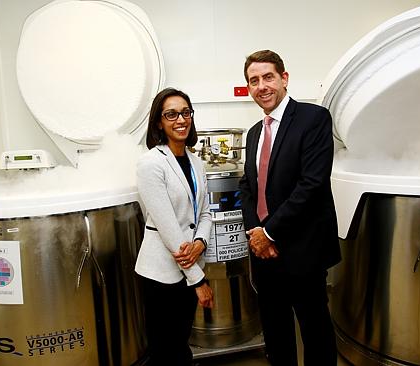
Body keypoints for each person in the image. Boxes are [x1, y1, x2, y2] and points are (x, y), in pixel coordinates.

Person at [239, 50, 341, 365]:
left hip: (302, 250)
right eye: (253, 81)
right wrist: (256, 233)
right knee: (276, 332)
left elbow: (311, 185)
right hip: (264, 255)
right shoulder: (255, 132)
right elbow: (247, 187)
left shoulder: (313, 119)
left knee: (315, 332)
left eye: (268, 77)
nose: (261, 86)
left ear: (284, 78)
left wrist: (269, 233)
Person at [134, 88, 214, 366]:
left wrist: (201, 243)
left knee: (180, 343)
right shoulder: (151, 164)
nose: (180, 119)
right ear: (159, 122)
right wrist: (199, 280)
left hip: (189, 265)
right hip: (161, 274)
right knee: (165, 350)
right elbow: (169, 229)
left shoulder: (196, 163)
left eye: (185, 112)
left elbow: (204, 214)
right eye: (171, 114)